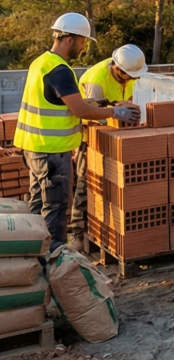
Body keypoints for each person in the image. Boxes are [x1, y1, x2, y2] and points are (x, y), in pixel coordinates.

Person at [15, 13, 139, 251]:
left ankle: (33, 259)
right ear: (69, 39)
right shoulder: (60, 70)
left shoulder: (40, 62)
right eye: (83, 41)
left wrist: (109, 105)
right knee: (55, 210)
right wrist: (115, 114)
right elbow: (80, 109)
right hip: (52, 152)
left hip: (33, 147)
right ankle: (55, 261)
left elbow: (66, 104)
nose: (83, 47)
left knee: (37, 206)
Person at [67, 43, 146, 249]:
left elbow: (126, 102)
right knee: (86, 183)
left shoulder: (129, 75)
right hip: (89, 135)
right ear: (117, 69)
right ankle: (76, 232)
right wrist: (115, 111)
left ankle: (105, 227)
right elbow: (89, 114)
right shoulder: (97, 80)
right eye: (128, 76)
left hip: (114, 132)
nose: (132, 80)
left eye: (134, 77)